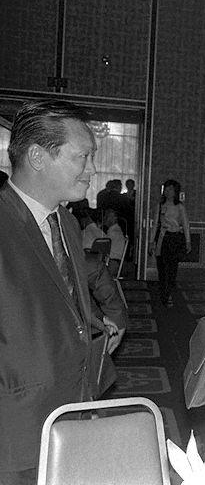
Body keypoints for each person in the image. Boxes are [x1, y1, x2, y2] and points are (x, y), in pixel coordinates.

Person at [0, 100, 121, 484]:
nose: (92, 169)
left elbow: (48, 296)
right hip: (14, 428)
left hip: (71, 413)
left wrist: (90, 324)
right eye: (82, 157)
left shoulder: (65, 222)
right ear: (38, 156)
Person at [149, 178, 191, 306]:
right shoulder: (160, 205)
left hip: (175, 238)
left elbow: (185, 224)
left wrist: (188, 241)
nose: (168, 192)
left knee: (171, 269)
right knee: (162, 268)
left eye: (171, 189)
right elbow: (155, 224)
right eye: (166, 189)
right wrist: (151, 241)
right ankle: (164, 292)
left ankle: (168, 293)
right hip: (162, 237)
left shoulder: (179, 206)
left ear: (175, 191)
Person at [104, 208, 126, 276]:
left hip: (112, 263)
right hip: (114, 262)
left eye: (107, 217)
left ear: (113, 219)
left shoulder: (113, 232)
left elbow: (104, 248)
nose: (105, 219)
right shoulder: (115, 230)